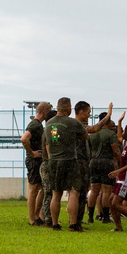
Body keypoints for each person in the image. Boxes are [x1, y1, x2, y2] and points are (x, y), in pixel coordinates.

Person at [43, 97, 88, 231]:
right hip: (69, 160)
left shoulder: (49, 123)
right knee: (74, 191)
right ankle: (73, 224)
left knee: (56, 193)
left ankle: (55, 224)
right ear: (68, 108)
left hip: (53, 161)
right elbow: (85, 136)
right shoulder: (72, 123)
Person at [21, 101, 52, 226]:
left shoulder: (39, 125)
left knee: (42, 188)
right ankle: (32, 219)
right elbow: (24, 139)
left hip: (38, 160)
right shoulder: (34, 125)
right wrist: (32, 153)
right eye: (49, 110)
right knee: (33, 189)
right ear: (44, 111)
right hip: (33, 161)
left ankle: (38, 215)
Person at [87, 112, 119, 223]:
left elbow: (89, 150)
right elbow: (115, 150)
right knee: (106, 191)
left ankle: (90, 216)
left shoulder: (92, 134)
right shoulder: (110, 134)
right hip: (107, 162)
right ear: (108, 121)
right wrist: (119, 162)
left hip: (94, 162)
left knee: (94, 190)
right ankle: (105, 217)